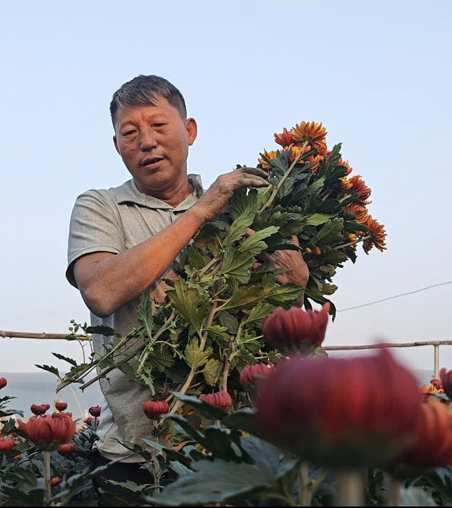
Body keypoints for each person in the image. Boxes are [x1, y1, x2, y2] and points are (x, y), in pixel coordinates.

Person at [65, 75, 309, 500]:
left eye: (159, 126)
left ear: (189, 129)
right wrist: (201, 211)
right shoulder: (100, 206)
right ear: (117, 144)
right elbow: (101, 291)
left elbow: (265, 323)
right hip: (136, 453)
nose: (145, 142)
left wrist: (295, 286)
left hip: (231, 447)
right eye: (130, 132)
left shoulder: (245, 208)